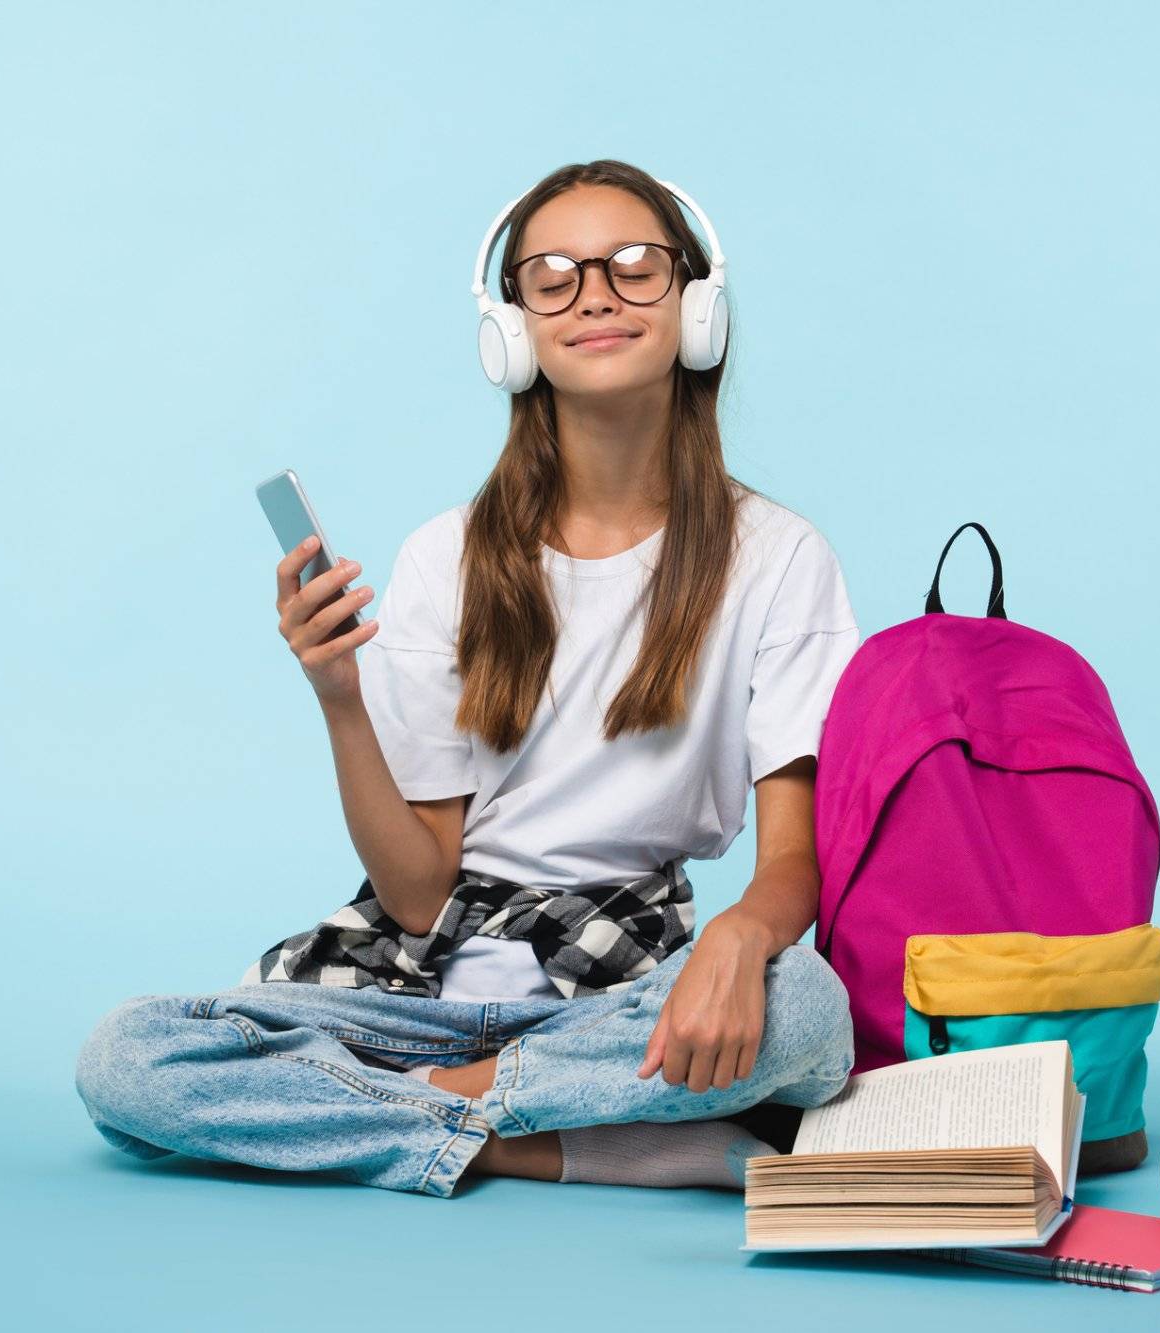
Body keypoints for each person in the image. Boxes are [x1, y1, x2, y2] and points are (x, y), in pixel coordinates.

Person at [74, 160, 861, 1198]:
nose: (594, 293)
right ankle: (545, 1136)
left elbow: (793, 856)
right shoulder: (444, 556)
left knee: (804, 1006)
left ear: (695, 305)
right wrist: (339, 699)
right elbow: (413, 893)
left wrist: (740, 934)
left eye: (634, 265)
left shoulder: (777, 555)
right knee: (127, 1057)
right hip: (417, 985)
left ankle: (419, 1109)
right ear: (510, 329)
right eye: (552, 275)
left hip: (622, 988)